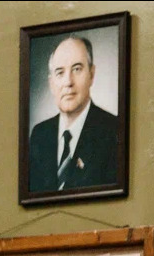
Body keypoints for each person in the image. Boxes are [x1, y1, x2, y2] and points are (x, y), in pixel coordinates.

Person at [28, 36, 120, 193]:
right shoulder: (39, 135)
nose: (68, 82)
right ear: (51, 84)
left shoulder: (114, 131)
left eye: (77, 69)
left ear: (91, 74)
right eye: (60, 73)